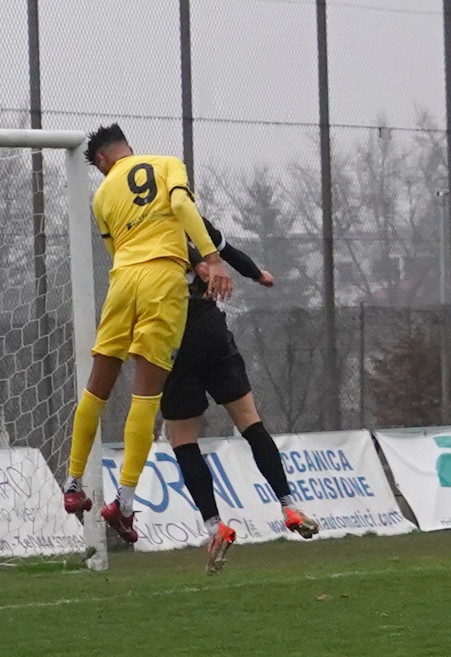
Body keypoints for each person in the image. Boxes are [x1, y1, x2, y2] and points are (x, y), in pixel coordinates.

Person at [63, 123, 233, 543]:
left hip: (123, 282)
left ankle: (73, 482)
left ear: (102, 159)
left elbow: (116, 250)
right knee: (145, 395)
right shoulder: (166, 164)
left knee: (96, 389)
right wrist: (210, 257)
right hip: (162, 282)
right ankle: (123, 503)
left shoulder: (102, 195)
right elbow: (181, 206)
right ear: (126, 148)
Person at [164, 218, 320, 573]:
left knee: (183, 439)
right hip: (210, 329)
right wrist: (257, 274)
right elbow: (228, 251)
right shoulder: (191, 219)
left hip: (172, 334)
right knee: (250, 422)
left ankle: (214, 526)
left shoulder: (142, 228)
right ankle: (289, 505)